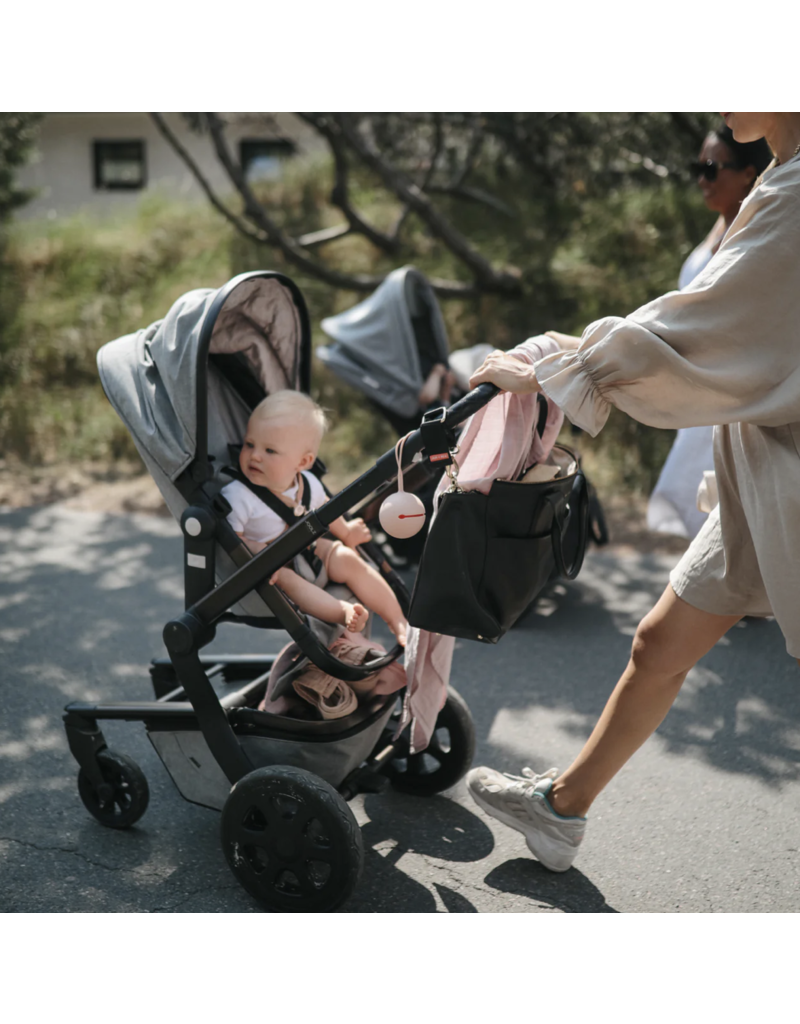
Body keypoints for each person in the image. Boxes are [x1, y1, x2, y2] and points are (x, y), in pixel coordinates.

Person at [465, 111, 800, 874]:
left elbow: (710, 325)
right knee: (658, 643)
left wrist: (567, 368)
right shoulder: (782, 173)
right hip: (767, 466)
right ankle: (561, 810)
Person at [648, 125, 773, 539]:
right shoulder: (717, 231)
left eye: (711, 168)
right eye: (696, 168)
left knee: (728, 536)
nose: (701, 179)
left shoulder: (757, 241)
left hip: (732, 408)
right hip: (697, 408)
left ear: (748, 175)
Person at [222, 391, 408, 646]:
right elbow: (232, 539)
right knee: (288, 580)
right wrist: (256, 552)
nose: (254, 456)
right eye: (249, 444)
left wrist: (346, 532)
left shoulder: (308, 483)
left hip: (309, 549)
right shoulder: (238, 495)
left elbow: (326, 510)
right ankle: (341, 612)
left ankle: (397, 619)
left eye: (270, 450)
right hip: (276, 567)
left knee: (347, 558)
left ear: (303, 462)